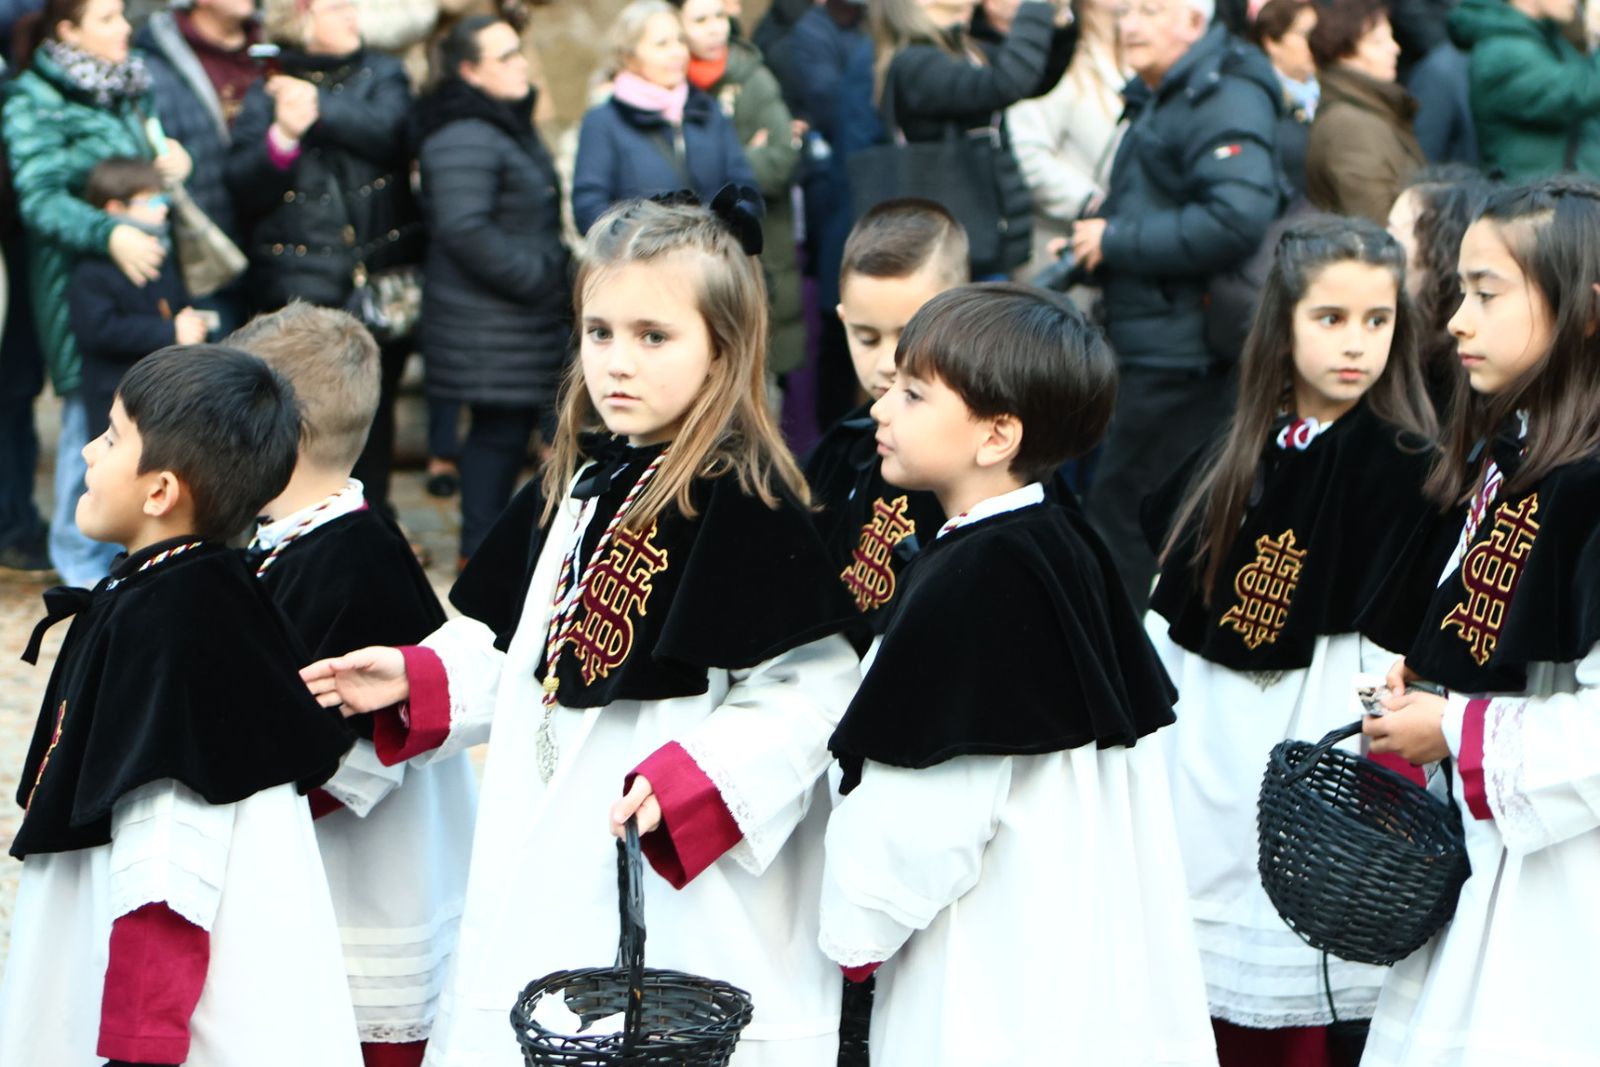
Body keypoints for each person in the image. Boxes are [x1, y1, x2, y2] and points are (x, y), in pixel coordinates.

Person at [301, 195, 862, 1066]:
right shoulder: (580, 484)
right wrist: (420, 675)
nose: (616, 362)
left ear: (725, 344)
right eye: (599, 333)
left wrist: (702, 774)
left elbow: (813, 689)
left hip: (668, 863)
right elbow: (525, 650)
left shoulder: (748, 507)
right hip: (543, 837)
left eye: (652, 336)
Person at [819, 282, 1216, 1066]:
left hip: (996, 958)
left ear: (996, 434)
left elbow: (930, 812)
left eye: (913, 392)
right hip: (1071, 936)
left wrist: (854, 925)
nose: (881, 411)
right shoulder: (1055, 539)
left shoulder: (982, 575)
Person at [0, 344, 359, 1066]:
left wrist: (141, 1044)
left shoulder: (176, 625)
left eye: (110, 437)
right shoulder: (189, 589)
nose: (91, 456)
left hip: (184, 1021)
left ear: (160, 490)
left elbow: (168, 857)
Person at [1142, 215, 1439, 1067]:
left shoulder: (1406, 465)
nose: (1357, 343)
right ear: (1285, 322)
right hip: (1206, 746)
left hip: (1316, 736)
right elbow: (1171, 617)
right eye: (1331, 318)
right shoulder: (1237, 448)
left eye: (1377, 321)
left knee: (1297, 994)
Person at [1358, 176, 1600, 1065]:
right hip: (1491, 858)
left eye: (1488, 294)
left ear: (1585, 313)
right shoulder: (1522, 452)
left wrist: (1454, 728)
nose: (1456, 319)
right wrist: (1433, 681)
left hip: (1569, 899)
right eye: (1459, 290)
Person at [228, 303, 477, 1067]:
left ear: (284, 434)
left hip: (368, 884)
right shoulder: (290, 537)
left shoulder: (353, 561)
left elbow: (356, 763)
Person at [1070, 0, 1283, 610]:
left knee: (1130, 518)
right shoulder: (1177, 87)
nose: (1129, 22)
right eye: (1126, 9)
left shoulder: (1223, 92)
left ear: (1194, 22)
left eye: (1150, 9)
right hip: (1158, 339)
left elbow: (1235, 218)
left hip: (1183, 352)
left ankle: (1120, 679)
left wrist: (1115, 239)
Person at [3, 0, 193, 586]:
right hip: (75, 282)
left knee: (144, 411)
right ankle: (81, 564)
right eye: (107, 19)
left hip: (150, 271)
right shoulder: (33, 96)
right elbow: (38, 198)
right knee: (88, 417)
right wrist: (110, 231)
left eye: (121, 16)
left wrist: (170, 168)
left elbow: (135, 173)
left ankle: (130, 548)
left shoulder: (133, 81)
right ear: (68, 30)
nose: (124, 28)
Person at [225, 0, 421, 516]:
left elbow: (395, 134)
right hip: (298, 281)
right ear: (301, 17)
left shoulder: (384, 72)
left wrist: (317, 109)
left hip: (380, 280)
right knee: (299, 420)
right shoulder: (267, 87)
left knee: (373, 416)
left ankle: (370, 523)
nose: (351, 14)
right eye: (335, 7)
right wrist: (283, 135)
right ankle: (294, 529)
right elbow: (244, 188)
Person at [416, 15, 571, 564]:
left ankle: (492, 560)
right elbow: (464, 229)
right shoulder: (464, 134)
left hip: (514, 318)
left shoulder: (499, 123)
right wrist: (542, 275)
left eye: (517, 52)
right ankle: (478, 559)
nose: (520, 64)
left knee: (505, 436)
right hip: (492, 318)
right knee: (496, 438)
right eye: (504, 57)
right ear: (469, 71)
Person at [805, 198, 960, 647]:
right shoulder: (837, 452)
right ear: (843, 321)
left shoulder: (982, 464)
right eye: (867, 337)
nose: (890, 362)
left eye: (910, 334)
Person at [869, 0, 1069, 278]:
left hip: (983, 239)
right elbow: (1007, 82)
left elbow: (1036, 77)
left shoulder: (963, 49)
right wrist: (1035, 5)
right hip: (955, 247)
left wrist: (1058, 18)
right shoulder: (914, 63)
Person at [674, 0, 805, 382]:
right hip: (687, 264)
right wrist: (742, 156)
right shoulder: (664, 90)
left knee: (757, 379)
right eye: (700, 20)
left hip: (756, 253)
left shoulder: (754, 79)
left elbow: (781, 160)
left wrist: (709, 174)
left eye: (720, 17)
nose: (716, 28)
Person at [570, 0, 757, 234]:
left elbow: (743, 184)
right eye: (662, 44)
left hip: (713, 259)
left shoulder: (706, 109)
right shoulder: (603, 122)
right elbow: (589, 209)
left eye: (680, 40)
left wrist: (728, 234)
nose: (677, 52)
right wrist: (647, 247)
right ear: (629, 56)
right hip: (646, 264)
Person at [136, 0, 265, 331]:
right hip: (209, 247)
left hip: (279, 244)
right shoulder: (155, 58)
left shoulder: (272, 47)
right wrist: (182, 160)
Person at [69, 157, 209, 445]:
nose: (162, 208)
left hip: (160, 386)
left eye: (162, 198)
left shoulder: (161, 250)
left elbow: (178, 302)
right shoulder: (93, 268)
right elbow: (98, 329)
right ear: (114, 208)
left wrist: (193, 325)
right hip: (113, 391)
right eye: (150, 201)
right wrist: (170, 332)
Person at [1007, 0, 1126, 275]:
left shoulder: (1142, 51)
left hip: (1117, 244)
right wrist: (1091, 202)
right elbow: (1026, 152)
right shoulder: (1059, 54)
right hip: (1059, 250)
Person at [1447, 0, 1600, 182]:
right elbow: (1577, 93)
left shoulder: (1544, 37)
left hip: (1559, 196)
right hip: (1529, 201)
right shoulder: (1502, 52)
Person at [1304, 0, 1422, 224]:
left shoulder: (1371, 109)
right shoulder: (1349, 126)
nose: (1395, 48)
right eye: (1378, 41)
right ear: (1345, 53)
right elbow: (1378, 227)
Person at [1386, 163, 1488, 410]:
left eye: (1394, 236)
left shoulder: (1472, 366)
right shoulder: (1390, 334)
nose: (1382, 249)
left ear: (1440, 253)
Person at [1250, 0, 1316, 196]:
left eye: (1318, 35)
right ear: (1271, 41)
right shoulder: (1260, 98)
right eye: (1306, 35)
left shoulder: (1333, 86)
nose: (1316, 43)